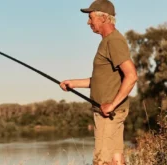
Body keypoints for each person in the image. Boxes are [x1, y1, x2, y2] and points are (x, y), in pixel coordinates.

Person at [59, 0, 138, 164]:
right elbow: (100, 80)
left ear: (103, 18)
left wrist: (112, 105)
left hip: (108, 113)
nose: (88, 22)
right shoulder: (109, 41)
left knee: (102, 160)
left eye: (91, 17)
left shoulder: (113, 41)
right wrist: (72, 83)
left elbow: (131, 75)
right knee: (116, 159)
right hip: (111, 112)